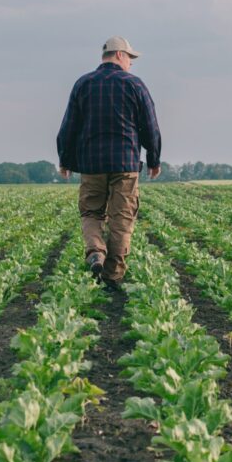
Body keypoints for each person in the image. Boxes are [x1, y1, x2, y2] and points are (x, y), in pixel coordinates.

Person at [56, 36, 162, 290]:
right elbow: (150, 126)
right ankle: (113, 275)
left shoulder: (83, 84)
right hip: (125, 164)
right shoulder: (134, 84)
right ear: (119, 55)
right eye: (130, 58)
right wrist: (153, 158)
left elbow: (69, 126)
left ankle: (95, 251)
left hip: (91, 164)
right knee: (121, 217)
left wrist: (65, 159)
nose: (131, 64)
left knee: (91, 212)